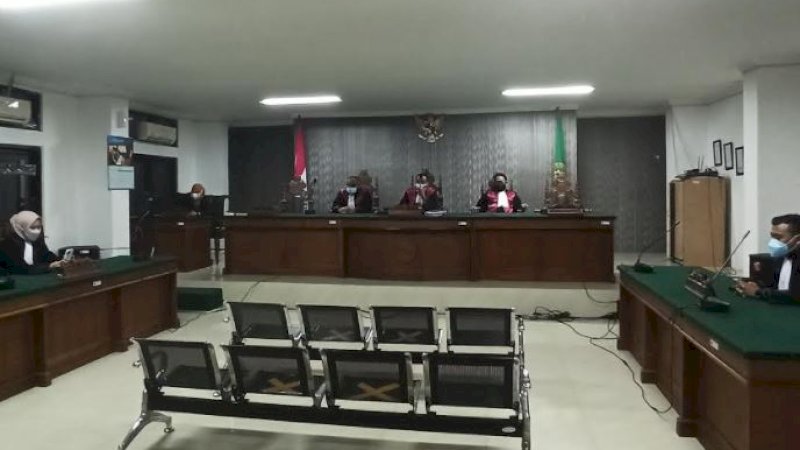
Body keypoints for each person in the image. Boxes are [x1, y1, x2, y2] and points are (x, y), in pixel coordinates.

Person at [737, 214, 800, 302]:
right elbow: (775, 285)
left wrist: (758, 292)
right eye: (772, 236)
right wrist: (753, 284)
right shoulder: (780, 257)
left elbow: (795, 295)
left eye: (778, 237)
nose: (773, 242)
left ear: (797, 239)